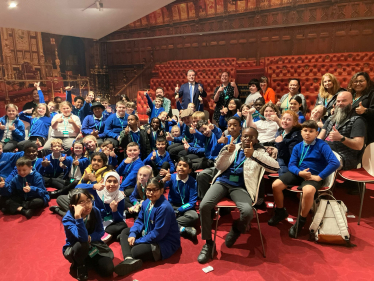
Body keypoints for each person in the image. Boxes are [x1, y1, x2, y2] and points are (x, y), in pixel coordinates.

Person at [197, 127, 279, 264]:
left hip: (241, 188)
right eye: (245, 136)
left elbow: (275, 167)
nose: (247, 139)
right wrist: (226, 153)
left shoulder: (260, 152)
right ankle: (209, 243)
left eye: (251, 137)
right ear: (241, 137)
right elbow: (218, 166)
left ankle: (236, 229)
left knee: (247, 212)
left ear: (256, 139)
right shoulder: (232, 147)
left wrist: (254, 155)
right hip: (222, 183)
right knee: (204, 206)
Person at [269, 120, 340, 237]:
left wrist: (319, 177)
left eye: (311, 131)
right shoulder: (298, 146)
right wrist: (299, 172)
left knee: (308, 191)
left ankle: (301, 221)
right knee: (276, 185)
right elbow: (291, 165)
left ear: (316, 133)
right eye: (305, 131)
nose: (308, 133)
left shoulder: (322, 145)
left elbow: (335, 163)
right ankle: (280, 212)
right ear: (301, 132)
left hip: (314, 175)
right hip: (299, 173)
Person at [114, 178, 180, 276]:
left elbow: (158, 234)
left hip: (164, 242)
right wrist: (133, 234)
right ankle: (129, 259)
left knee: (135, 251)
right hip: (149, 231)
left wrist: (137, 241)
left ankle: (130, 252)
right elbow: (140, 220)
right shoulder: (146, 202)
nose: (151, 193)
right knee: (125, 232)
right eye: (149, 190)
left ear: (162, 190)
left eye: (155, 190)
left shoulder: (164, 208)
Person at [318, 91, 366, 193]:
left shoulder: (357, 121)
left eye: (344, 101)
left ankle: (321, 191)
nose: (340, 103)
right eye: (338, 101)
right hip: (325, 150)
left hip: (344, 156)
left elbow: (358, 145)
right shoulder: (331, 119)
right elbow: (319, 139)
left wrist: (341, 138)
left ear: (351, 102)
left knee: (320, 161)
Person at [62, 189, 114, 280]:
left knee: (108, 270)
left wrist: (91, 237)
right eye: (81, 202)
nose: (87, 205)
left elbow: (101, 231)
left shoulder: (95, 211)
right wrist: (78, 217)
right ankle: (80, 264)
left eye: (88, 201)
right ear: (72, 206)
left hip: (94, 244)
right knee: (83, 244)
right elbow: (82, 238)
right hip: (76, 247)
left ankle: (90, 261)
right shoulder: (68, 219)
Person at [51, 152, 114, 217]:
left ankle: (61, 211)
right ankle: (80, 215)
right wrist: (84, 180)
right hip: (82, 198)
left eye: (99, 161)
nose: (96, 162)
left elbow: (101, 194)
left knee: (88, 214)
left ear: (104, 163)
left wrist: (94, 181)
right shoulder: (88, 169)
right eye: (94, 160)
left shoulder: (108, 174)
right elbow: (78, 187)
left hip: (96, 202)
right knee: (60, 198)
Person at [79, 171, 127, 243]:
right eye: (109, 181)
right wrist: (94, 186)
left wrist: (114, 210)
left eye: (115, 182)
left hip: (110, 220)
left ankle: (98, 236)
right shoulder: (99, 190)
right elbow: (78, 187)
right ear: (104, 182)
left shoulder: (120, 197)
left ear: (119, 183)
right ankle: (106, 235)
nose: (112, 184)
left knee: (123, 225)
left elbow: (119, 219)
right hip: (96, 217)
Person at [164, 157, 199, 240]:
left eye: (185, 166)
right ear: (176, 167)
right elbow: (159, 189)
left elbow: (192, 202)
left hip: (186, 207)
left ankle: (170, 224)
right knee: (162, 212)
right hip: (172, 205)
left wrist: (178, 210)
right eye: (179, 165)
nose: (181, 167)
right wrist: (164, 180)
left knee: (194, 217)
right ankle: (183, 229)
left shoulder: (193, 182)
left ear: (189, 170)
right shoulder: (171, 177)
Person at [274, 110, 303, 175]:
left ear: (294, 123)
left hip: (287, 165)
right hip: (278, 160)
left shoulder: (296, 136)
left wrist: (280, 144)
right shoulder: (281, 131)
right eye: (283, 118)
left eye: (288, 119)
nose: (284, 121)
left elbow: (290, 158)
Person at [348, 72, 374, 144]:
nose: (358, 83)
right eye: (355, 81)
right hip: (349, 131)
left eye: (361, 81)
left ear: (367, 82)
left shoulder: (372, 94)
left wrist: (365, 110)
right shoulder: (350, 95)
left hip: (367, 134)